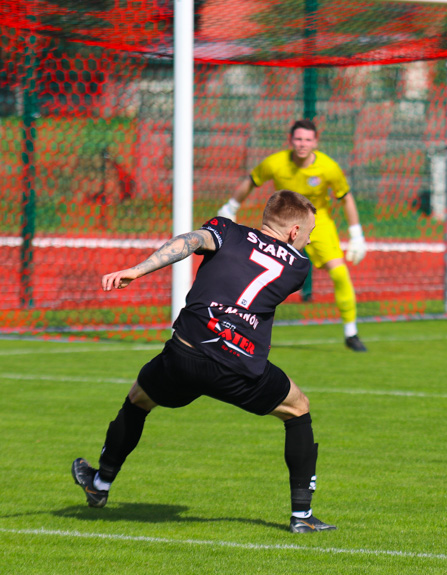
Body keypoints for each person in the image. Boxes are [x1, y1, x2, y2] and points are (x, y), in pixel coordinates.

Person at [72, 190, 337, 532]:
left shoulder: (227, 231)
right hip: (239, 365)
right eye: (309, 233)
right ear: (293, 233)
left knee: (139, 397)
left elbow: (191, 240)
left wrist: (138, 270)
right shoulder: (299, 267)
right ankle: (302, 517)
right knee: (297, 409)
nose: (309, 240)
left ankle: (101, 483)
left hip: (187, 354)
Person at [217, 119, 368, 352]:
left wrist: (356, 234)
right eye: (298, 139)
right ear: (290, 141)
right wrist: (230, 207)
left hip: (320, 225)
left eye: (307, 139)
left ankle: (351, 333)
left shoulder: (328, 167)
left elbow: (345, 197)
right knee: (258, 275)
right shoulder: (275, 163)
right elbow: (251, 180)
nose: (302, 144)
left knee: (340, 273)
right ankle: (238, 325)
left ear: (316, 142)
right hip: (282, 226)